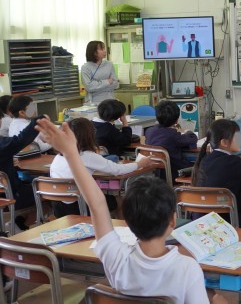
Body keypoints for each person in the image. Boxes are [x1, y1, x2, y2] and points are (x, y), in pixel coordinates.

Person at [35, 118, 227, 304]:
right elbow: (97, 203)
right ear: (172, 221)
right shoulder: (187, 268)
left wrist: (70, 152)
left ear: (127, 221)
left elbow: (97, 204)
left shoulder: (116, 258)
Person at [49, 118, 154, 218]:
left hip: (59, 207)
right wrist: (140, 164)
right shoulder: (87, 156)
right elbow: (117, 170)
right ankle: (120, 226)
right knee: (120, 201)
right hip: (80, 205)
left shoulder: (58, 157)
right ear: (88, 136)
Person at [191, 119, 241, 229]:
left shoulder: (203, 160)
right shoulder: (233, 162)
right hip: (227, 221)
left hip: (202, 220)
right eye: (237, 137)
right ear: (224, 142)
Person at [145, 100, 198, 181]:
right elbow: (192, 138)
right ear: (177, 120)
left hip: (156, 172)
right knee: (200, 165)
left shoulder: (149, 131)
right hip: (175, 172)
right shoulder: (173, 135)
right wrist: (188, 132)